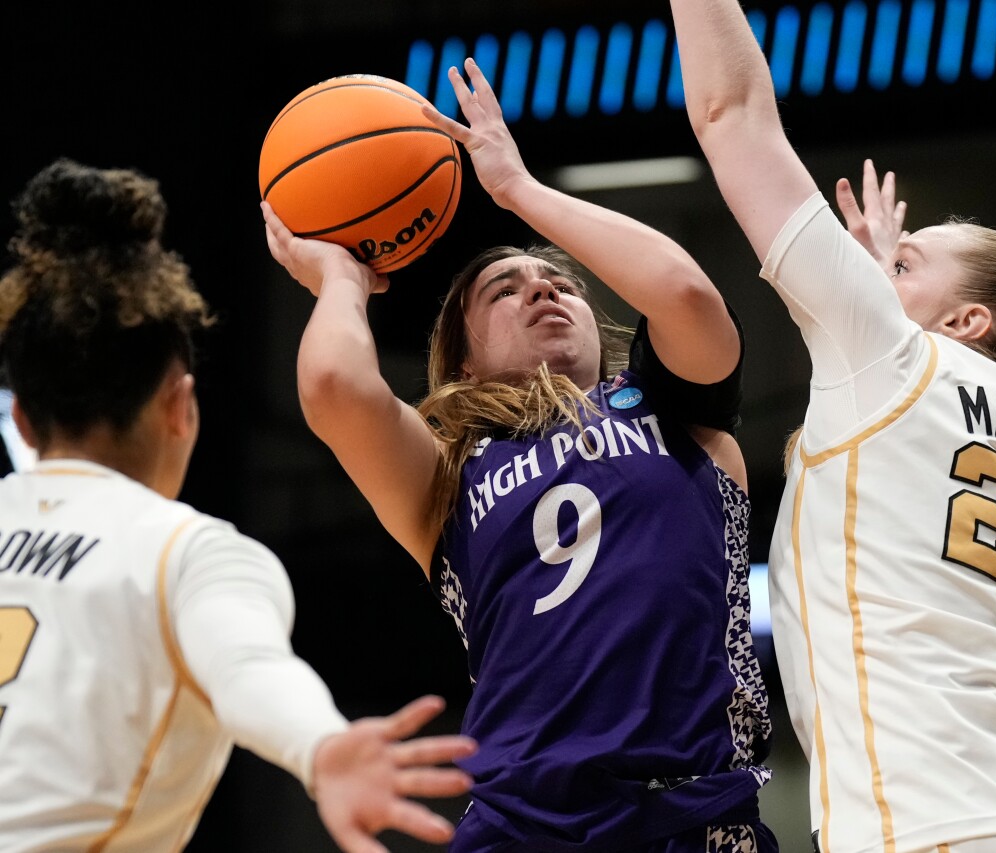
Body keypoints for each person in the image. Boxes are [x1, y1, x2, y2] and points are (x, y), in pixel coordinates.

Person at [261, 57, 775, 853]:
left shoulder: (676, 410)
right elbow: (333, 384)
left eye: (559, 282)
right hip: (521, 823)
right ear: (460, 359)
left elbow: (687, 298)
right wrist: (340, 279)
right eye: (504, 289)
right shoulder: (444, 473)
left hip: (689, 810)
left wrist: (519, 190)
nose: (542, 289)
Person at [665, 3, 996, 853]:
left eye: (903, 262)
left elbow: (730, 112)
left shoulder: (890, 358)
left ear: (964, 319)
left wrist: (867, 294)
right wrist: (886, 275)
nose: (877, 269)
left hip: (946, 820)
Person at [0, 157, 477, 853]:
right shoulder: (186, 551)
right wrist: (321, 744)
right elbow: (249, 667)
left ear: (22, 423)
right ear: (180, 407)